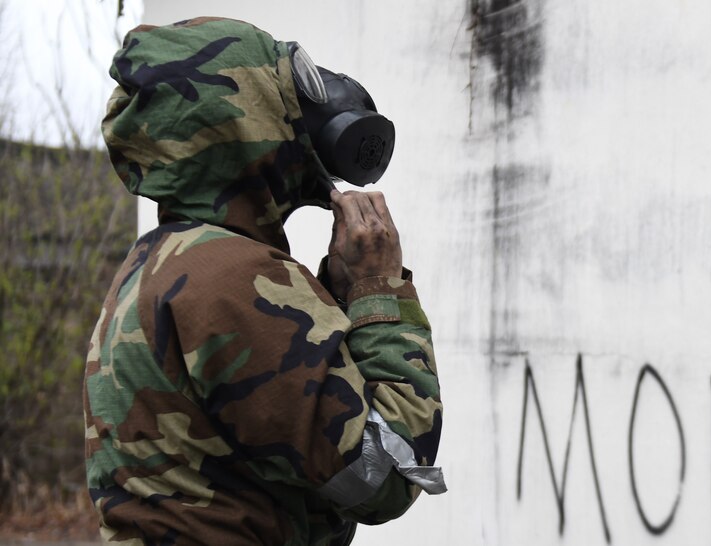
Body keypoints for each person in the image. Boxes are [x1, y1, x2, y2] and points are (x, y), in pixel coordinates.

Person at [83, 16, 445, 545]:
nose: (309, 104)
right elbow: (385, 473)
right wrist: (379, 289)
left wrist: (337, 292)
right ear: (242, 113)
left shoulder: (158, 265)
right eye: (288, 84)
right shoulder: (236, 276)